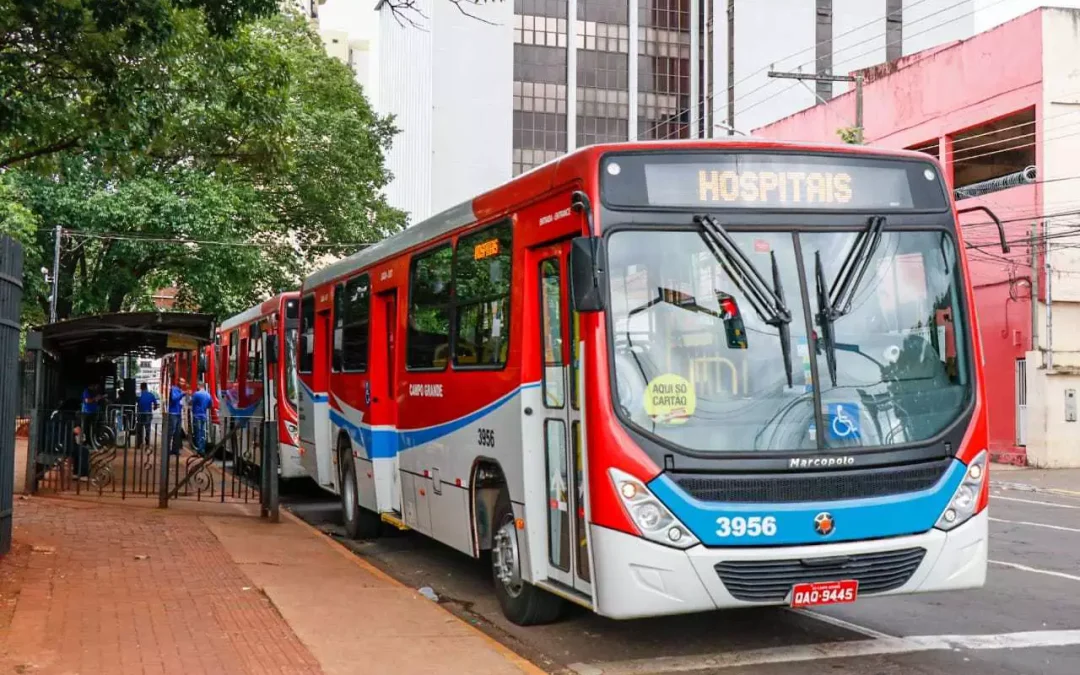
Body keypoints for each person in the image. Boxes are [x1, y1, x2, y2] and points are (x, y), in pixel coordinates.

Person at [190, 383, 213, 456]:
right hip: (204, 416)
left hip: (197, 416)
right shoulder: (208, 395)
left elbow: (191, 402)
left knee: (198, 433)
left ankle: (200, 450)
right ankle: (202, 448)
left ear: (199, 386)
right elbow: (210, 405)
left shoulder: (196, 394)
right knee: (203, 433)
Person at [168, 378, 189, 456]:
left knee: (177, 432)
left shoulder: (180, 390)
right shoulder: (174, 389)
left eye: (184, 382)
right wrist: (182, 394)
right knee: (171, 432)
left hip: (178, 413)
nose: (183, 383)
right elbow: (174, 399)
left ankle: (175, 450)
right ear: (178, 382)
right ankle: (167, 449)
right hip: (173, 413)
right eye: (182, 382)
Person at [135, 383, 159, 449]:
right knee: (147, 429)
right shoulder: (151, 395)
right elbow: (156, 405)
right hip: (148, 414)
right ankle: (147, 443)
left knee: (139, 429)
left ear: (141, 388)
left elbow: (135, 401)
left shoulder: (139, 395)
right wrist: (154, 408)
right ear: (146, 387)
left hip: (140, 414)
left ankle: (139, 443)